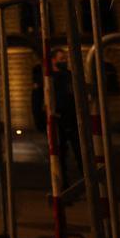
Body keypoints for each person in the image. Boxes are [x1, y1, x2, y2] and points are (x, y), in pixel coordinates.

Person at [51, 50, 82, 189]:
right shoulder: (49, 78)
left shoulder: (70, 76)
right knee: (60, 156)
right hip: (58, 121)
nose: (65, 61)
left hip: (73, 120)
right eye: (62, 58)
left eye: (65, 58)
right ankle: (63, 186)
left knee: (81, 153)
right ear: (53, 60)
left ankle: (87, 184)